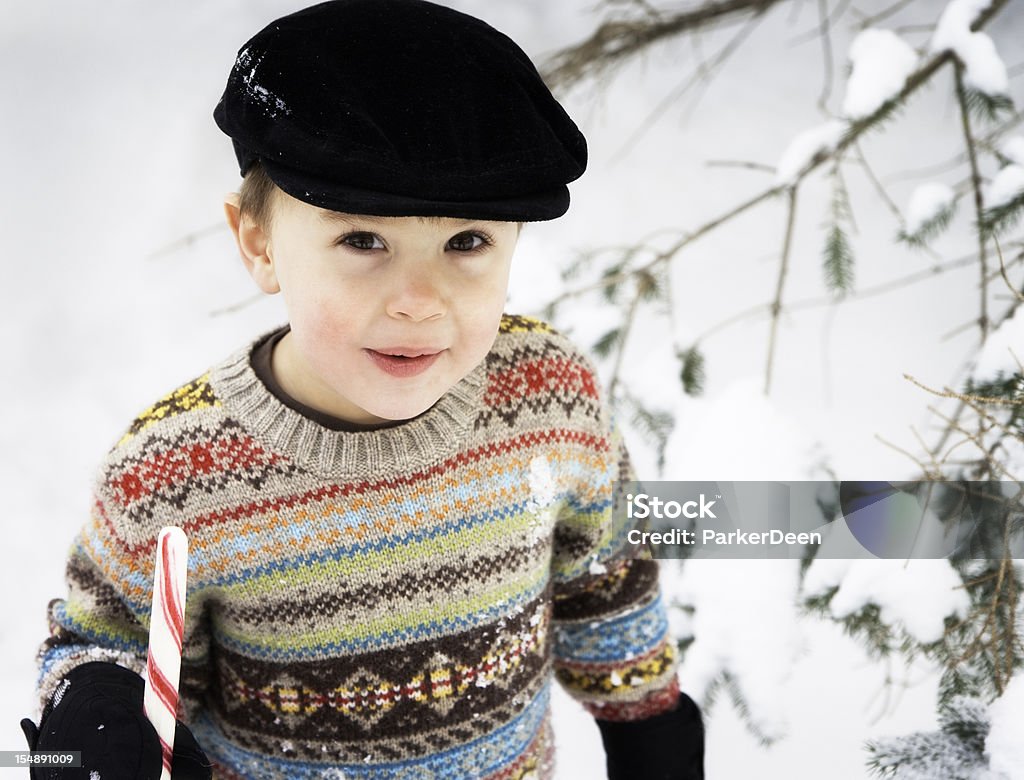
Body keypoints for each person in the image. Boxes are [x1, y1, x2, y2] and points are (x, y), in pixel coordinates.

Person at [20, 1, 705, 777]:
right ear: (260, 241)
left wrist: (651, 729)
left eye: (467, 242)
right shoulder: (175, 472)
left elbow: (604, 578)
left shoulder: (547, 396)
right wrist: (99, 706)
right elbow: (103, 636)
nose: (419, 298)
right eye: (363, 240)